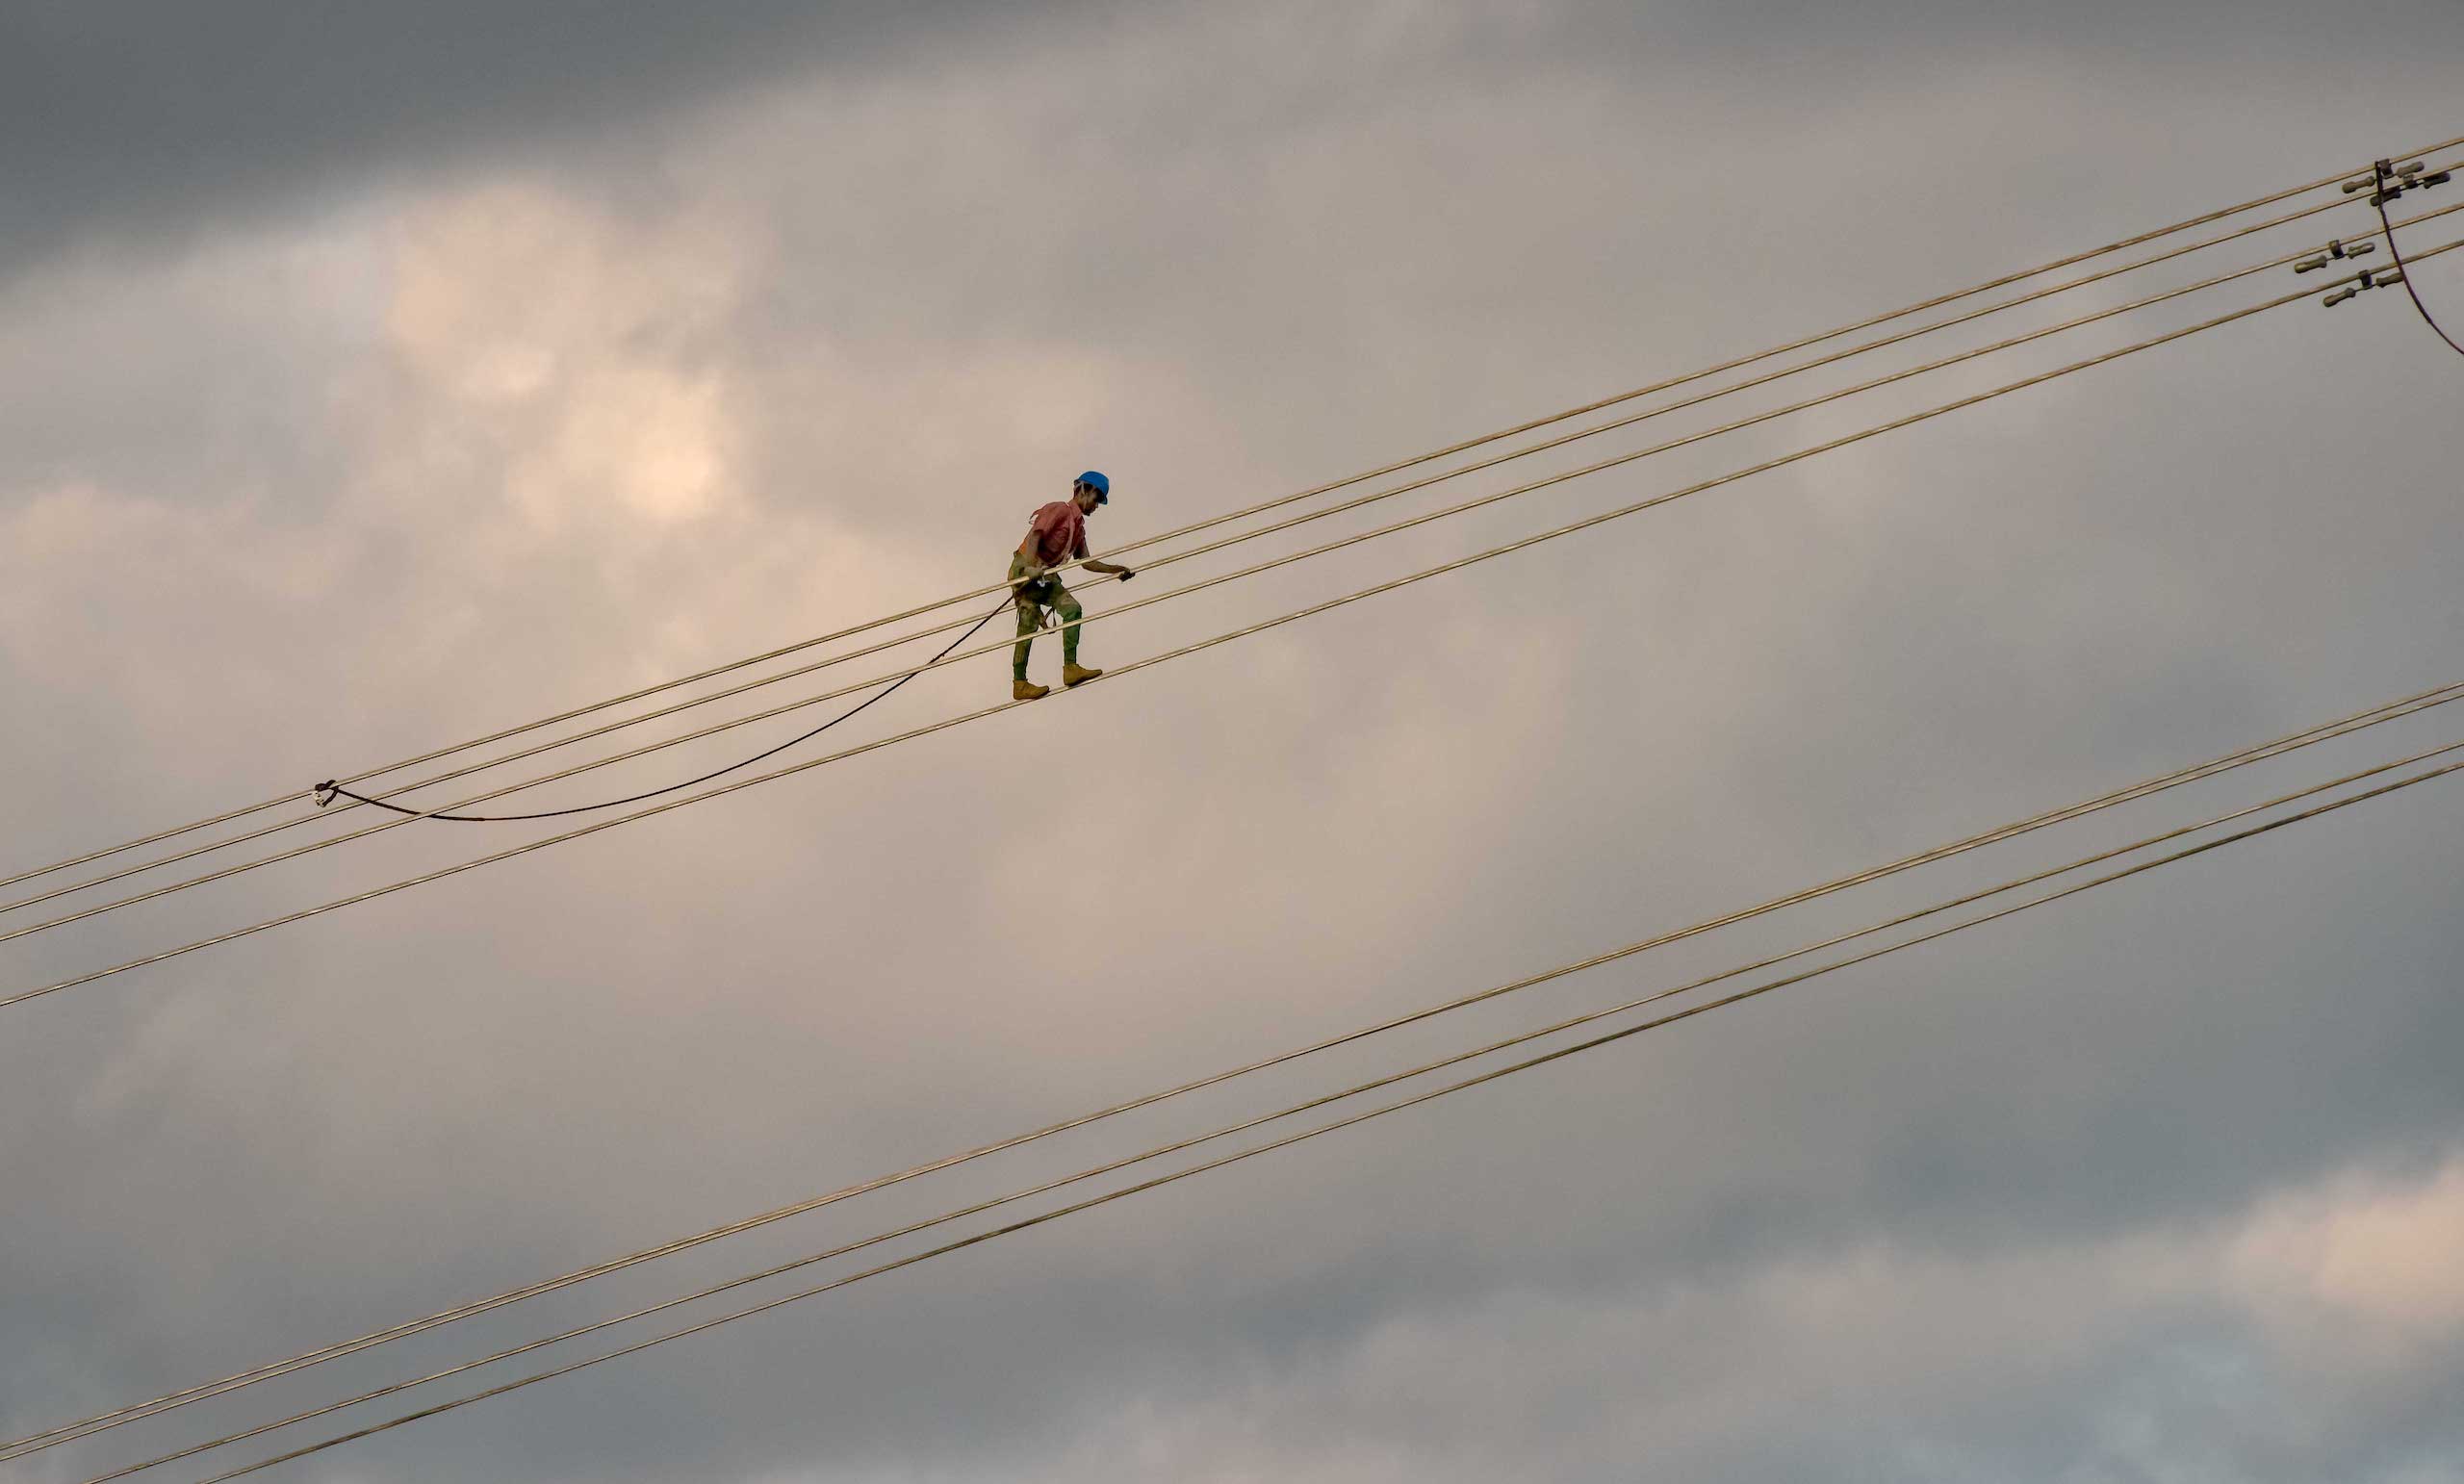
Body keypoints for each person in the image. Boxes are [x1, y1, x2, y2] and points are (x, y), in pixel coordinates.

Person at [1009, 471, 1136, 700]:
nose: (1096, 506)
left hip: (1046, 576)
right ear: (1084, 490)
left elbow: (1087, 563)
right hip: (1027, 567)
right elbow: (1036, 535)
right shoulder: (1059, 510)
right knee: (1027, 624)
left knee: (1072, 609)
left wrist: (1116, 570)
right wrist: (1029, 568)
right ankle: (1020, 682)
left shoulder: (1078, 528)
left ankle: (1070, 668)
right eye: (1096, 499)